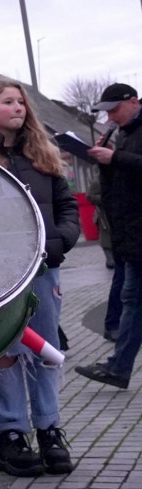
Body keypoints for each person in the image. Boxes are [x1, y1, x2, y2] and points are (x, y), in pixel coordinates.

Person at [0, 78, 79, 476]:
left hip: (45, 274)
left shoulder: (44, 158)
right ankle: (10, 433)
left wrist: (58, 244)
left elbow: (68, 211)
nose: (19, 108)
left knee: (45, 351)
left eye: (21, 102)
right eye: (8, 102)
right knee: (4, 353)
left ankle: (49, 428)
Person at [77, 83, 142, 389]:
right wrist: (103, 161)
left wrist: (114, 159)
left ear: (134, 101)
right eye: (108, 112)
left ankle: (119, 367)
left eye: (115, 110)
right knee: (132, 301)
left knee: (133, 301)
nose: (112, 117)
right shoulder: (123, 134)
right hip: (131, 238)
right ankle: (119, 367)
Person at [87, 170, 122, 341]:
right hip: (115, 230)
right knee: (121, 276)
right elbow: (91, 196)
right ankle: (112, 324)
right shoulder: (103, 176)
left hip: (127, 231)